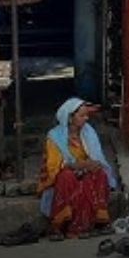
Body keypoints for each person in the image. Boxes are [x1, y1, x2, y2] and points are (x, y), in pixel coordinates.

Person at [38, 98, 117, 239]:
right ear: (69, 117)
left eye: (87, 115)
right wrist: (75, 166)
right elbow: (53, 166)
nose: (86, 118)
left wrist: (94, 164)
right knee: (67, 178)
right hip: (64, 172)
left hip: (85, 169)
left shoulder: (89, 132)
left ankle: (97, 223)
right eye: (82, 115)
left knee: (99, 175)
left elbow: (97, 156)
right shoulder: (54, 136)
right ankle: (59, 225)